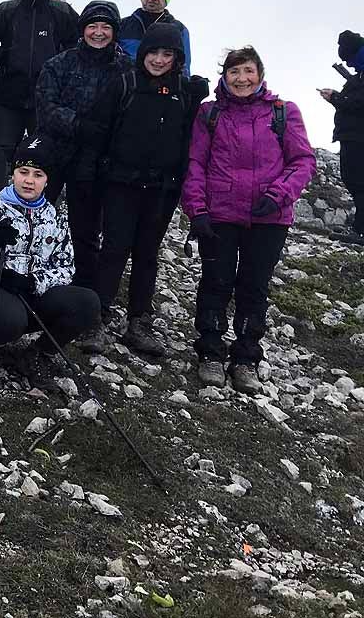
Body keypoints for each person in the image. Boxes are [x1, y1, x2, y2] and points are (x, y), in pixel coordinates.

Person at [181, 46, 315, 393]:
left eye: (248, 71)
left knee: (254, 287)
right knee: (216, 281)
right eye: (234, 72)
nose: (241, 79)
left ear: (260, 75)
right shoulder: (209, 114)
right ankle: (210, 350)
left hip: (269, 218)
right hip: (220, 215)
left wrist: (277, 196)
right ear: (224, 76)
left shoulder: (284, 112)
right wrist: (197, 210)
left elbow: (302, 162)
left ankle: (246, 357)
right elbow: (195, 163)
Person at [81, 22, 209, 354]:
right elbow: (98, 131)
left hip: (162, 189)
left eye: (168, 53)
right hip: (121, 183)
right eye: (153, 51)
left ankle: (139, 322)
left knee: (147, 255)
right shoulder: (124, 84)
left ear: (177, 58)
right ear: (143, 52)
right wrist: (93, 173)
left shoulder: (185, 92)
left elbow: (193, 137)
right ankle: (97, 317)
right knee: (113, 250)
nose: (159, 59)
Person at [0, 137, 102, 387]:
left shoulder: (55, 218)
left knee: (88, 303)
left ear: (47, 180)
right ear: (13, 174)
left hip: (32, 293)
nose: (29, 180)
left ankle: (37, 353)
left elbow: (66, 268)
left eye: (38, 174)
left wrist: (34, 282)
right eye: (23, 172)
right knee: (11, 320)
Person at [34, 1, 133, 278]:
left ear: (114, 31)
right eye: (92, 26)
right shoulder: (60, 62)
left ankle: (83, 288)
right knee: (34, 216)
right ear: (83, 29)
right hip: (54, 152)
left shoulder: (127, 69)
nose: (98, 32)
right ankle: (25, 274)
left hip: (96, 161)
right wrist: (78, 125)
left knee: (87, 230)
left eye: (105, 26)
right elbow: (45, 105)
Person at [0, 0, 78, 200]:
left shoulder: (61, 13)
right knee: (1, 152)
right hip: (8, 96)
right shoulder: (7, 10)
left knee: (43, 154)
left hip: (46, 101)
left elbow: (78, 44)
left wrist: (61, 67)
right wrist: (2, 55)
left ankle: (41, 208)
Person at [320, 31, 364, 243]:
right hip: (353, 137)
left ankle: (360, 231)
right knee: (355, 181)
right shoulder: (360, 76)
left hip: (358, 137)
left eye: (349, 60)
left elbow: (358, 104)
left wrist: (336, 98)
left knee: (358, 181)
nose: (351, 66)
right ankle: (359, 227)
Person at [120, 0, 192, 72]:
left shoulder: (178, 29)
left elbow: (184, 65)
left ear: (166, 0)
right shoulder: (123, 24)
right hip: (126, 82)